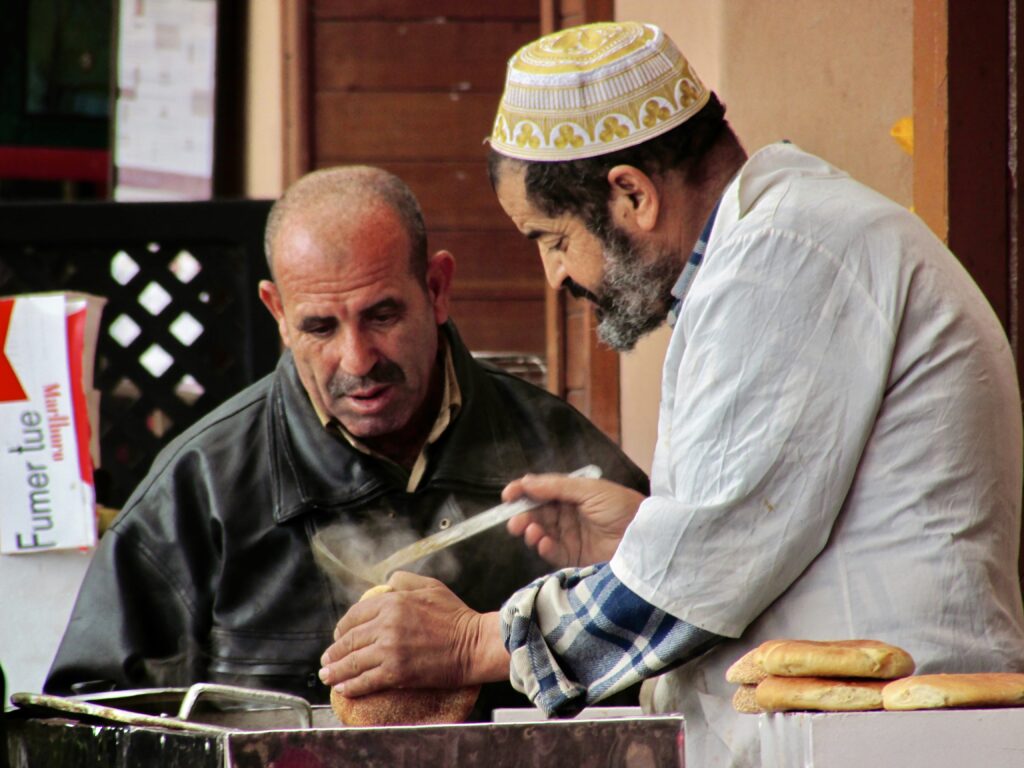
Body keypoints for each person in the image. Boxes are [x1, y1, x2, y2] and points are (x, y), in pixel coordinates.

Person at [319, 21, 1024, 766]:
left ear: (631, 193)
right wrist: (644, 539)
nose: (556, 277)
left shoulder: (785, 257)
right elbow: (744, 537)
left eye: (553, 240)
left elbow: (696, 577)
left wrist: (474, 642)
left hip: (890, 746)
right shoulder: (767, 249)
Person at [44, 165, 649, 719]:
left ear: (437, 288)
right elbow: (85, 722)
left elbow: (670, 665)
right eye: (319, 327)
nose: (356, 360)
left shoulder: (560, 456)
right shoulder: (201, 487)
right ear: (277, 312)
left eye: (381, 315)